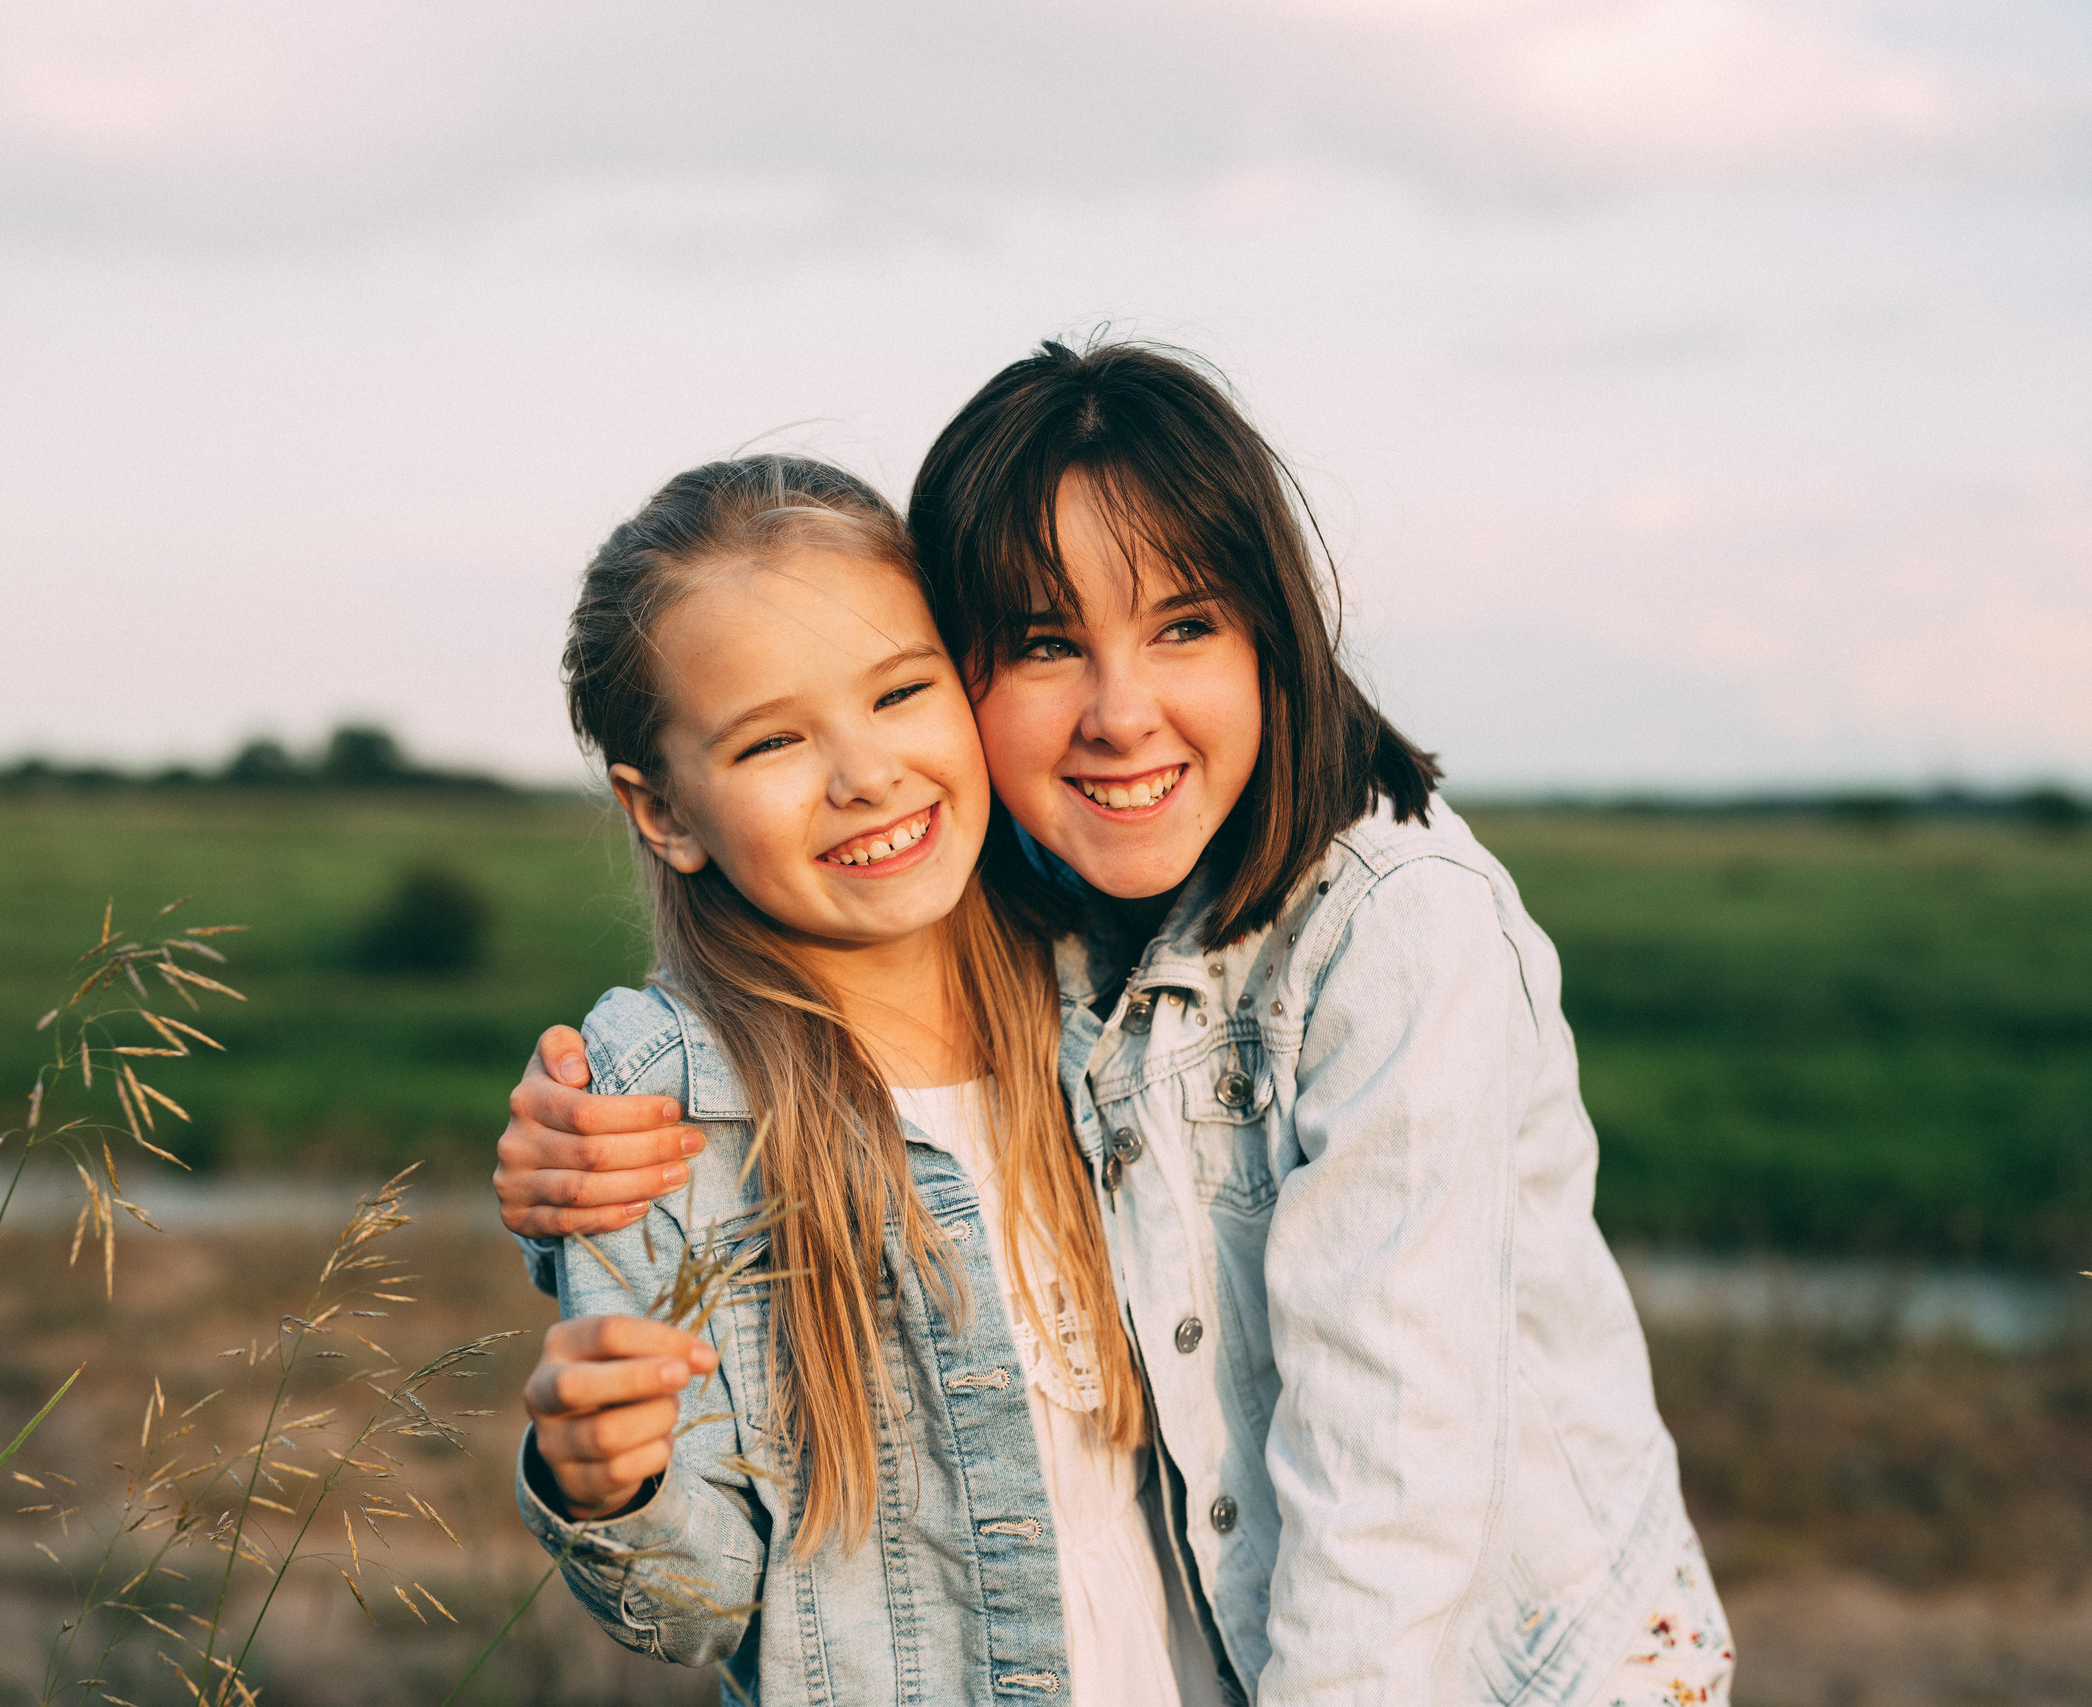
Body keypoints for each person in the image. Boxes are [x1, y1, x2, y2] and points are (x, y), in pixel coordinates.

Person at [500, 340, 1736, 1706]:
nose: (1120, 712)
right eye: (1043, 645)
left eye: (1185, 624)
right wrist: (601, 1437)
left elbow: (1390, 1479)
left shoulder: (1307, 942)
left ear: (1276, 631)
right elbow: (706, 1587)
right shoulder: (735, 1073)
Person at [517, 453, 1220, 1706]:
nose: (866, 774)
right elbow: (700, 1605)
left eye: (900, 691)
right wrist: (609, 1483)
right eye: (772, 741)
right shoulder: (654, 1107)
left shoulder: (1113, 987)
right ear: (663, 812)